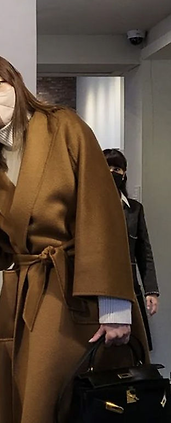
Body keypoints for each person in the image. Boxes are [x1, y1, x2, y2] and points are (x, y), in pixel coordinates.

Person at [0, 54, 148, 423]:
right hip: (25, 300)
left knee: (90, 405)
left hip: (80, 293)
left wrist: (115, 308)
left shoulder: (63, 126)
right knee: (37, 403)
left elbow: (101, 212)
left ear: (16, 81)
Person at [103, 148, 159, 350]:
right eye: (107, 167)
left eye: (117, 168)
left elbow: (144, 251)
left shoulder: (135, 209)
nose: (112, 172)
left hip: (130, 285)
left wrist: (151, 291)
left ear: (124, 173)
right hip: (99, 286)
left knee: (135, 346)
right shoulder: (88, 207)